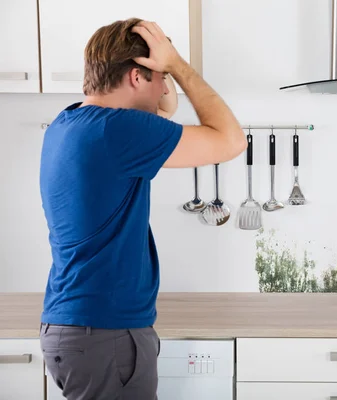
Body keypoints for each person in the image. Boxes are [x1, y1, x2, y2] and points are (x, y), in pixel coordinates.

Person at [38, 17, 246, 399]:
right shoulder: (116, 132)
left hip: (77, 326)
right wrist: (178, 64)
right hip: (105, 332)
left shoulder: (69, 123)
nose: (167, 87)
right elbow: (231, 141)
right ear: (136, 76)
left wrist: (161, 69)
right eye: (160, 77)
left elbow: (163, 110)